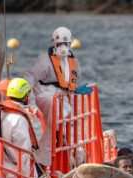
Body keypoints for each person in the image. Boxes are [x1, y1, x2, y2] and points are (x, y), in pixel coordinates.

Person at [23, 27, 91, 168]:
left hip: (63, 97)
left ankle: (54, 146)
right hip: (45, 94)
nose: (63, 47)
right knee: (56, 116)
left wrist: (76, 90)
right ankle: (47, 154)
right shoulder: (44, 61)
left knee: (57, 120)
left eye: (66, 44)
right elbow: (30, 76)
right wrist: (24, 94)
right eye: (60, 44)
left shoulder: (74, 62)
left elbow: (74, 80)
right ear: (55, 44)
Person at [0, 78, 40, 178]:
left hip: (1, 168)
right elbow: (24, 151)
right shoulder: (20, 120)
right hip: (17, 174)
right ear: (24, 96)